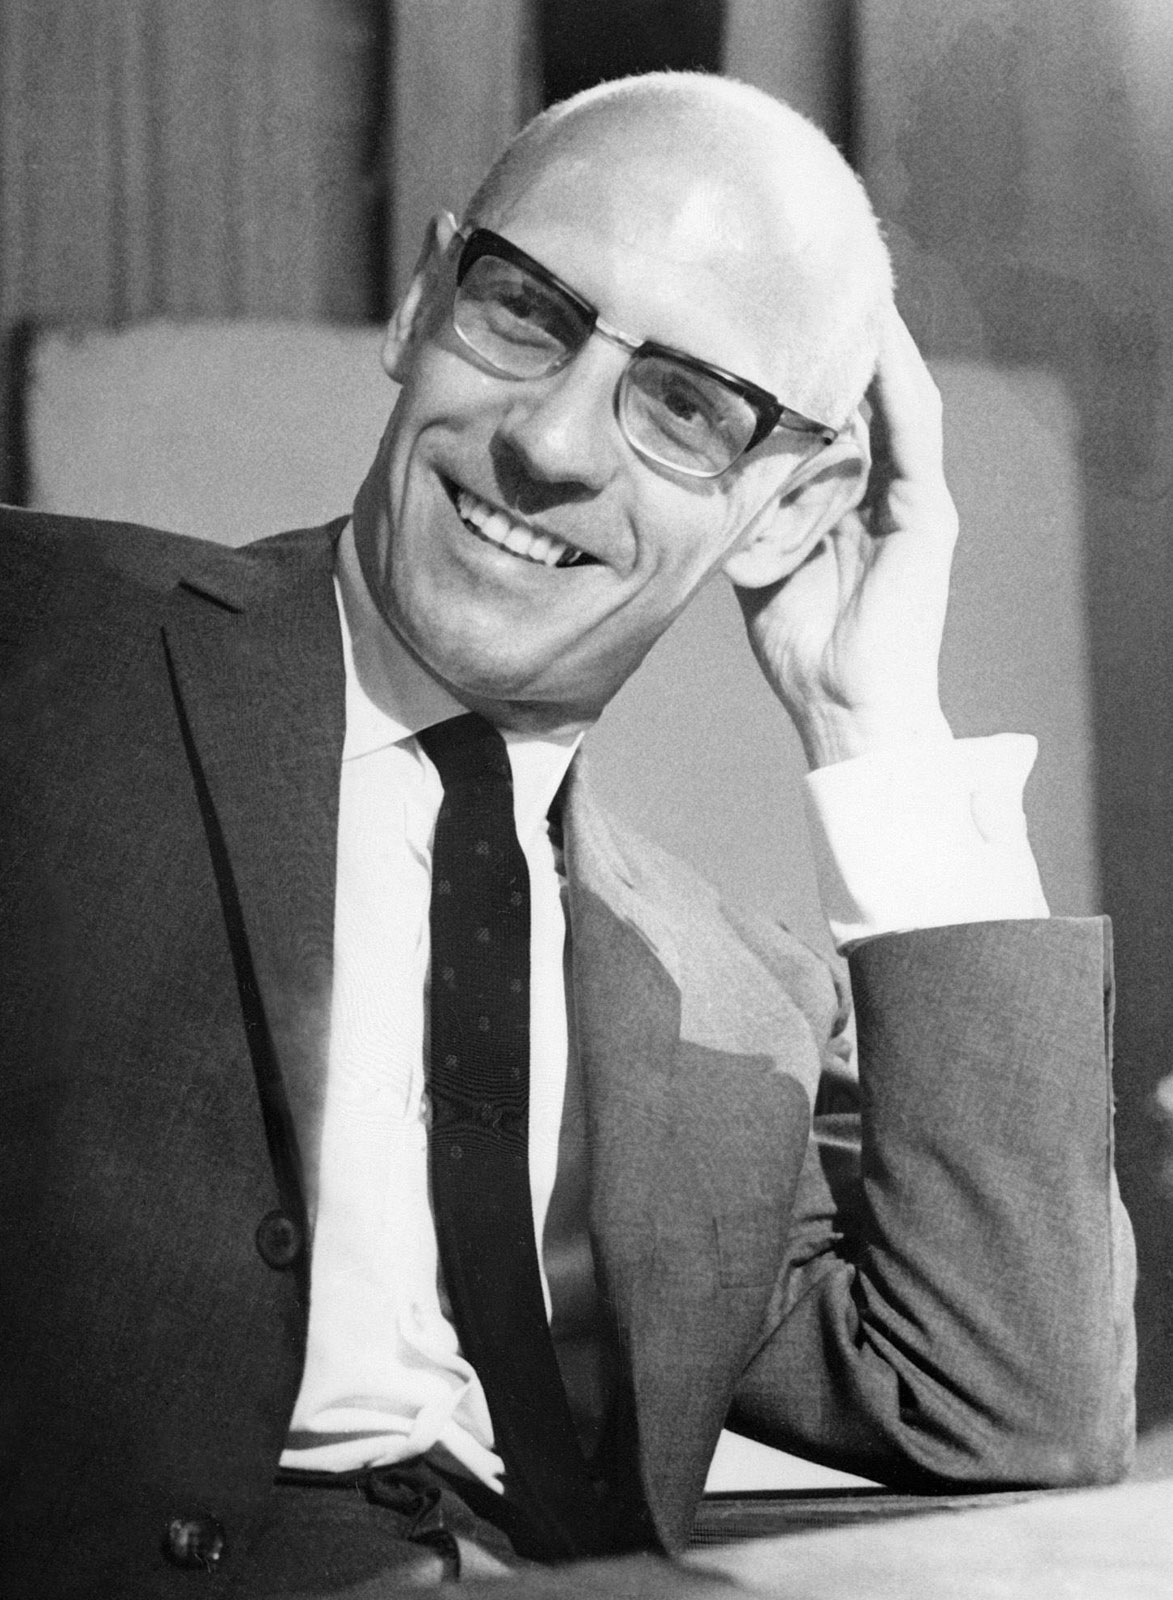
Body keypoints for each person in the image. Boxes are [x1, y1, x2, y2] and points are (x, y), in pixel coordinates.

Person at [0, 70, 1135, 1599]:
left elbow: (1009, 1402)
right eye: (524, 313)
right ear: (423, 303)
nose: (550, 440)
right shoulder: (42, 637)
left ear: (785, 510)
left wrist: (873, 723)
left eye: (685, 406)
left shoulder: (730, 1007)